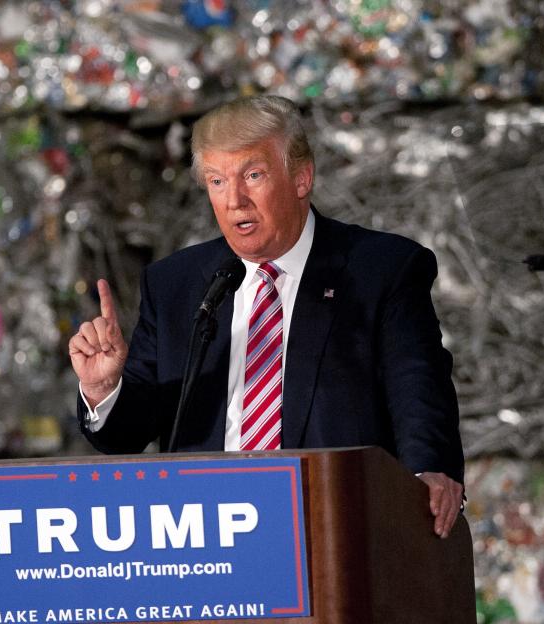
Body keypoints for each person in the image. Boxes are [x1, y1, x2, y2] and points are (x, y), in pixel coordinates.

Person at [68, 95, 464, 538]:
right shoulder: (176, 285)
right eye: (217, 181)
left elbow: (417, 387)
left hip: (335, 527)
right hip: (206, 537)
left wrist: (427, 473)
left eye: (252, 175)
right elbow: (128, 434)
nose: (234, 200)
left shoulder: (379, 269)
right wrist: (103, 389)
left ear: (301, 178)